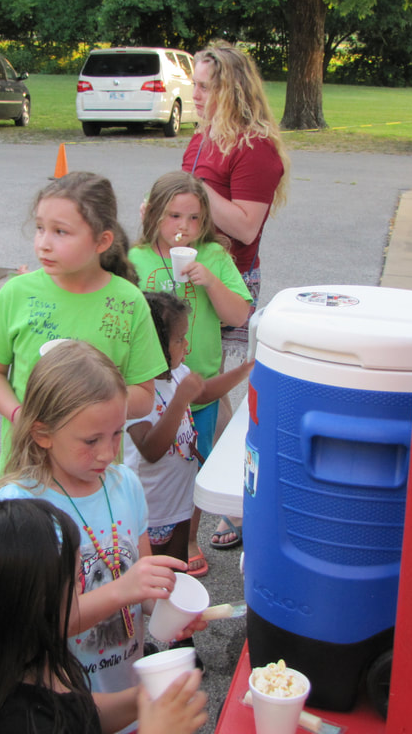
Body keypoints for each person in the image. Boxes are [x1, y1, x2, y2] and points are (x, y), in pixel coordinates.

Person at [0, 341, 205, 733]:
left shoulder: (125, 486)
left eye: (117, 433)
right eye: (91, 441)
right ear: (42, 433)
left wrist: (168, 610)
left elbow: (140, 582)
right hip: (63, 715)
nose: (108, 453)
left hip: (129, 698)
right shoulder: (21, 508)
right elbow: (38, 624)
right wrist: (125, 589)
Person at [0, 497, 208, 734]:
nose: (84, 589)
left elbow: (80, 714)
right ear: (32, 605)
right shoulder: (17, 722)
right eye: (76, 580)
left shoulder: (17, 658)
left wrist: (147, 697)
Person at [0, 171, 167, 477]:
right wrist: (21, 415)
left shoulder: (128, 302)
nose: (43, 244)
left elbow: (144, 396)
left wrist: (89, 411)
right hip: (26, 472)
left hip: (97, 473)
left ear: (102, 241)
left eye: (60, 232)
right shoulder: (17, 293)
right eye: (40, 228)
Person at [181, 41, 290, 550]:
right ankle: (233, 489)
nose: (195, 95)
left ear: (232, 90)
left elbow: (246, 227)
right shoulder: (201, 139)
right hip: (191, 272)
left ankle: (240, 495)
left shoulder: (256, 148)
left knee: (209, 386)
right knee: (205, 386)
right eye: (195, 85)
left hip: (229, 280)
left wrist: (196, 191)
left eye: (205, 87)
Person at [131, 171, 252, 575]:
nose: (184, 226)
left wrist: (211, 281)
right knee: (146, 465)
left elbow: (239, 314)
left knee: (192, 464)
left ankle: (189, 537)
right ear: (152, 214)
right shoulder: (136, 258)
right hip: (145, 387)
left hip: (198, 385)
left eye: (195, 218)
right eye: (174, 216)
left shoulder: (213, 256)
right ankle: (140, 535)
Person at [124, 292, 253, 567]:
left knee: (177, 570)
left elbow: (203, 392)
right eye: (179, 339)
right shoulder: (135, 392)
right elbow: (150, 449)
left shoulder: (177, 373)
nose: (187, 345)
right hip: (148, 513)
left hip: (179, 505)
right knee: (152, 577)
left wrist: (245, 370)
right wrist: (181, 399)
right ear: (152, 344)